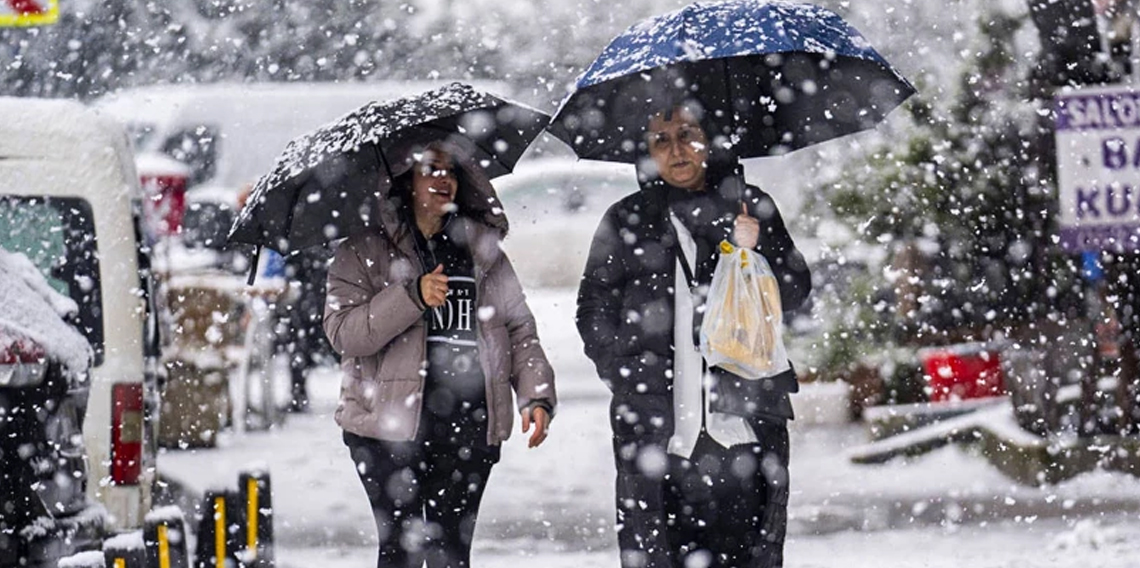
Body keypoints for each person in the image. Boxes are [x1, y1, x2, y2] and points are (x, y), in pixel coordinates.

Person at [576, 100, 811, 568]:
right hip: (660, 436)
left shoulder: (750, 205)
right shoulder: (627, 219)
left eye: (687, 134)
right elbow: (593, 306)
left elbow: (795, 292)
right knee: (658, 553)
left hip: (744, 428)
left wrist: (758, 247)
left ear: (711, 138)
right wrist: (623, 371)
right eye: (660, 140)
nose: (676, 150)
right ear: (646, 151)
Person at [323, 140, 556, 568]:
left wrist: (536, 395)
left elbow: (519, 328)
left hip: (468, 426)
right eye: (429, 169)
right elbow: (344, 334)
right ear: (404, 182)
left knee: (452, 554)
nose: (443, 179)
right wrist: (411, 295)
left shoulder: (481, 250)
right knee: (401, 552)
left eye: (450, 170)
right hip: (386, 432)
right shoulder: (361, 251)